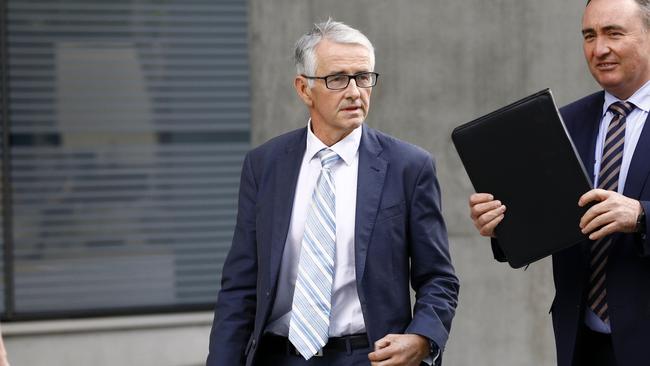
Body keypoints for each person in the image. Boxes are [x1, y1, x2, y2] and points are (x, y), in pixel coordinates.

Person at [206, 19, 458, 366]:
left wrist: (423, 337)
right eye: (337, 78)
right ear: (304, 88)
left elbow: (438, 278)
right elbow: (239, 287)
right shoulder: (264, 165)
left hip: (367, 357)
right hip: (278, 356)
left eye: (363, 77)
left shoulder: (408, 167)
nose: (355, 91)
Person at [469, 0, 650, 365]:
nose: (599, 49)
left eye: (614, 33)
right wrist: (502, 225)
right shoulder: (562, 123)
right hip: (581, 345)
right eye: (589, 35)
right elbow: (545, 224)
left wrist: (641, 216)